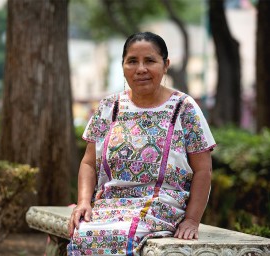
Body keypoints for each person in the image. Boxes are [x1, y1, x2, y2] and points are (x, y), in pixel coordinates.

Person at [67, 31, 216, 256]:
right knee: (82, 233)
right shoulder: (110, 106)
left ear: (165, 65)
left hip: (162, 206)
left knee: (121, 235)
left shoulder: (184, 108)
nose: (141, 69)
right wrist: (83, 202)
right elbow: (88, 163)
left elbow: (203, 170)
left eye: (150, 61)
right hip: (109, 204)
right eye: (132, 61)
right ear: (123, 66)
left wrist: (192, 220)